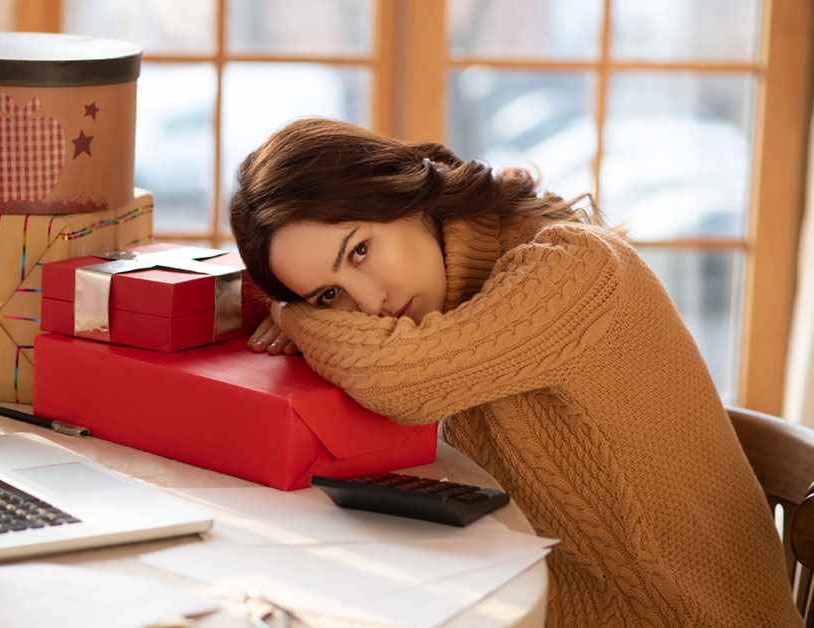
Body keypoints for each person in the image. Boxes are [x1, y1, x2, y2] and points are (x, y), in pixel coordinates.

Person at [229, 117, 800, 627]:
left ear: (405, 192)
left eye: (358, 251)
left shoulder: (575, 267)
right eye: (330, 295)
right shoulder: (444, 311)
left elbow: (398, 379)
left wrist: (295, 313)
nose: (368, 302)